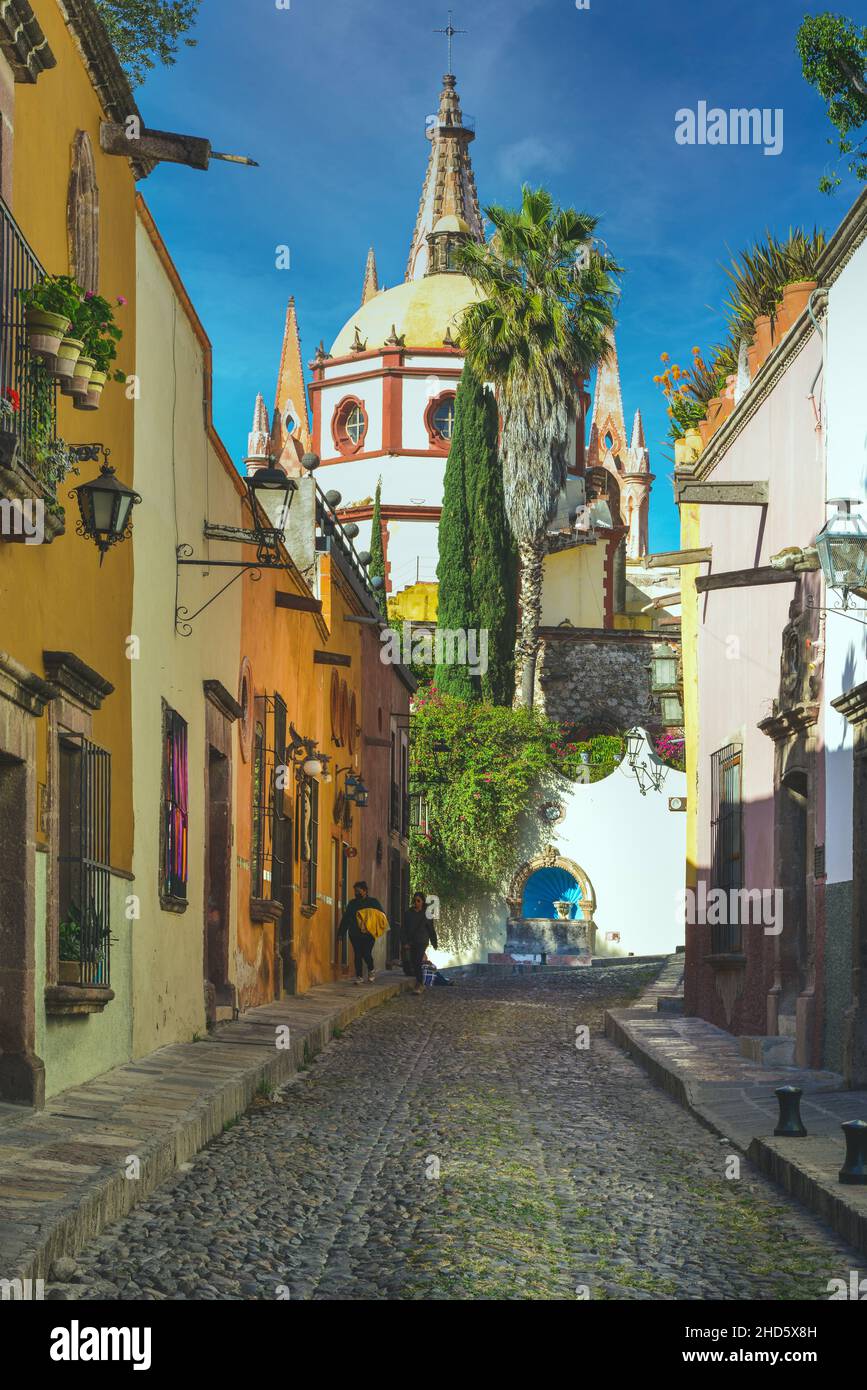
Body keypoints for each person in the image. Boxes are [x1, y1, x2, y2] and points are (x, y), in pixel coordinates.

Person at [337, 881, 387, 985]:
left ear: (365, 891)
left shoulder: (373, 902)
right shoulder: (352, 904)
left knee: (366, 953)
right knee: (357, 954)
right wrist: (341, 933)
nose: (356, 893)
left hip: (369, 934)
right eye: (355, 891)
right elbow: (346, 918)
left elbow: (381, 916)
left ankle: (371, 969)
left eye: (358, 891)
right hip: (355, 933)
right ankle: (359, 976)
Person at [404, 892, 438, 995]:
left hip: (422, 941)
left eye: (418, 901)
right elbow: (404, 928)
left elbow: (431, 929)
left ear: (423, 902)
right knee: (414, 962)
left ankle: (420, 984)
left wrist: (434, 942)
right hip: (412, 941)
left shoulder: (426, 914)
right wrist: (405, 941)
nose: (416, 902)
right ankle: (420, 983)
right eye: (415, 900)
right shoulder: (408, 913)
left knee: (418, 961)